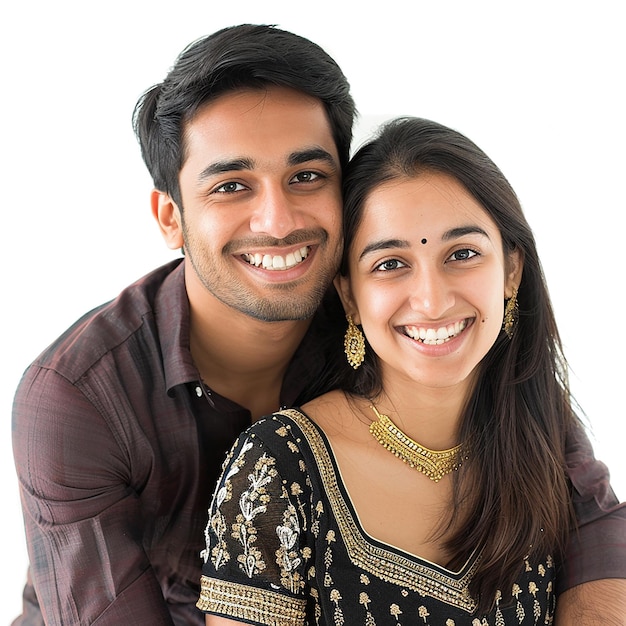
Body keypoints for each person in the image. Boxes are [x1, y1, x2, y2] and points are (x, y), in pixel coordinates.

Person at [10, 23, 623, 626]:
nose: (277, 222)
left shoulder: (395, 310)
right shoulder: (77, 397)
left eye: (306, 176)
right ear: (170, 216)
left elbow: (587, 510)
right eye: (231, 186)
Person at [196, 117, 626, 625]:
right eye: (390, 264)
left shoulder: (541, 434)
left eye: (462, 254)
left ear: (511, 271)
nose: (432, 300)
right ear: (349, 295)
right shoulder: (276, 467)